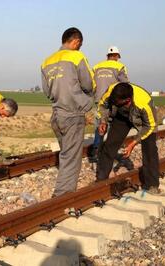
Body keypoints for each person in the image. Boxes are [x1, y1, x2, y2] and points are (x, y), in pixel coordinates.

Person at [41, 27, 94, 197]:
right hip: (72, 114)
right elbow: (89, 84)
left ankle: (63, 188)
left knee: (66, 154)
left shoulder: (46, 61)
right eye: (80, 44)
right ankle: (62, 196)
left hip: (56, 116)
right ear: (76, 41)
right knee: (71, 157)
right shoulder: (76, 56)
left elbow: (47, 92)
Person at [96, 82, 160, 193]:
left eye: (117, 102)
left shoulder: (144, 103)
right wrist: (103, 121)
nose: (114, 102)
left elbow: (150, 126)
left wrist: (133, 143)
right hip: (122, 117)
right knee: (109, 145)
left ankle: (152, 185)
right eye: (114, 101)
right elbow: (102, 105)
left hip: (143, 122)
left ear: (128, 100)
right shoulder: (111, 92)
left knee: (150, 150)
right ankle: (101, 180)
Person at [88, 46, 129, 162]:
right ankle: (110, 152)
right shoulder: (120, 66)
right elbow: (125, 85)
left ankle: (95, 152)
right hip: (114, 101)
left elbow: (91, 84)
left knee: (99, 126)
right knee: (115, 127)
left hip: (99, 101)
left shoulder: (96, 67)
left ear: (107, 56)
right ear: (116, 56)